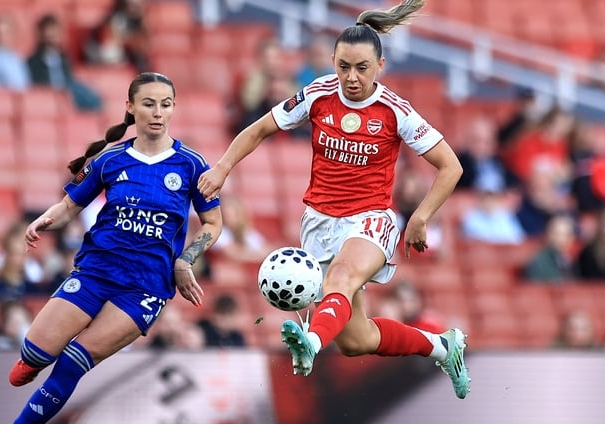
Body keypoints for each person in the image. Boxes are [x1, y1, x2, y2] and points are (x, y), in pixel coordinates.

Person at [197, 0, 470, 400]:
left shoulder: (396, 111)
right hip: (319, 222)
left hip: (371, 220)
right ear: (332, 61)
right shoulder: (318, 95)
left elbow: (451, 166)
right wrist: (221, 168)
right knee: (355, 340)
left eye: (361, 67)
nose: (351, 77)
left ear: (380, 66)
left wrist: (421, 217)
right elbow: (257, 130)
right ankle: (443, 346)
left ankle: (309, 341)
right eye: (344, 66)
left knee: (340, 278)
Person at [0, 72, 222, 424]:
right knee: (36, 350)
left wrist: (186, 260)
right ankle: (33, 360)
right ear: (130, 107)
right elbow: (70, 205)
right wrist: (46, 219)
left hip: (146, 287)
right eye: (148, 104)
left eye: (165, 104)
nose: (158, 112)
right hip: (97, 271)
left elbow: (214, 221)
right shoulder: (110, 159)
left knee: (73, 361)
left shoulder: (191, 164)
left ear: (174, 109)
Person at [27, 13, 103, 112]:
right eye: (50, 32)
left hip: (67, 94)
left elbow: (69, 77)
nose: (53, 36)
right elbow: (38, 85)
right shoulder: (33, 62)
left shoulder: (64, 58)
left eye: (55, 32)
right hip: (50, 96)